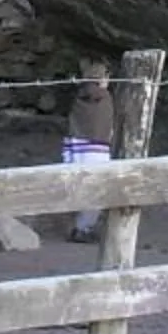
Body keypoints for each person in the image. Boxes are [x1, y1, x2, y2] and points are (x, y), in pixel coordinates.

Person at [62, 60, 115, 245]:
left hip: (77, 148)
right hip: (96, 151)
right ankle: (82, 228)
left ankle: (80, 225)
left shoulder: (79, 99)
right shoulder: (104, 98)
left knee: (81, 188)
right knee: (98, 190)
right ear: (102, 79)